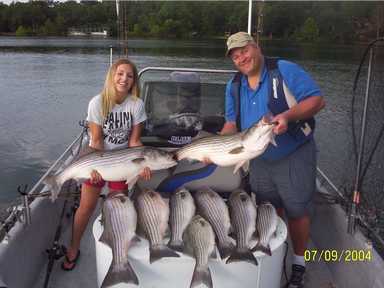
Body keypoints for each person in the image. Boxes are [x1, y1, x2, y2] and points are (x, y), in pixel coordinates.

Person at [221, 32, 325, 288]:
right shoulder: (233, 85)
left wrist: (288, 116)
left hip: (294, 153)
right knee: (269, 206)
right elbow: (231, 124)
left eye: (244, 50)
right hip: (258, 158)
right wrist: (214, 146)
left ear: (256, 46)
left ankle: (299, 264)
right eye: (235, 56)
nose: (241, 58)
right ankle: (275, 251)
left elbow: (317, 100)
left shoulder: (284, 69)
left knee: (297, 209)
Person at [62, 58, 151, 270]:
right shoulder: (97, 103)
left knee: (117, 209)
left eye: (129, 76)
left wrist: (142, 165)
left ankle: (116, 250)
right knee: (86, 207)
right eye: (120, 74)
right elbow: (96, 141)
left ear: (133, 82)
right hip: (99, 158)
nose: (124, 79)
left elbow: (134, 142)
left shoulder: (137, 105)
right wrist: (95, 169)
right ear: (112, 76)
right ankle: (74, 247)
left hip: (123, 162)